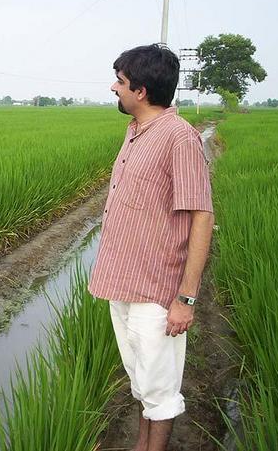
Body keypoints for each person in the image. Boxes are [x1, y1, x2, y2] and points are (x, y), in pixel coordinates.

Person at [88, 44, 214, 451]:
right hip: (122, 285)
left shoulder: (179, 138)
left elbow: (202, 217)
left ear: (140, 91)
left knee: (159, 395)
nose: (114, 88)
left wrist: (186, 299)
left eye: (120, 82)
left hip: (157, 294)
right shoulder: (136, 131)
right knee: (142, 386)